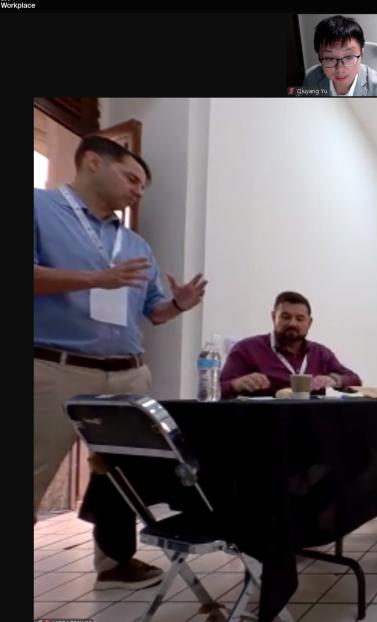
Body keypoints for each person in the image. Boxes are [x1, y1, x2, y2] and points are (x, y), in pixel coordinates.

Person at [34, 135, 208, 589]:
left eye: (142, 186)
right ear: (93, 162)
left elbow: (154, 313)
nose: (137, 191)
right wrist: (97, 277)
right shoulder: (39, 207)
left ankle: (114, 563)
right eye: (131, 179)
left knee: (122, 475)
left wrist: (178, 304)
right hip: (56, 369)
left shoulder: (135, 244)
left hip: (128, 374)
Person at [220, 291, 362, 398]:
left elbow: (355, 380)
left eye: (300, 319)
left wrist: (334, 380)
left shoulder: (320, 353)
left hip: (313, 424)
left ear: (309, 323)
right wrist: (236, 384)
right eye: (286, 317)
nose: (292, 323)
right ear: (274, 317)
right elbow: (217, 389)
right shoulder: (247, 349)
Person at [302, 15, 377, 97]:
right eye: (330, 58)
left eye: (349, 57)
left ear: (361, 54)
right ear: (319, 56)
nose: (340, 69)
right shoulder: (310, 79)